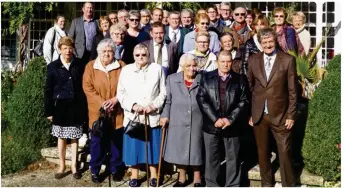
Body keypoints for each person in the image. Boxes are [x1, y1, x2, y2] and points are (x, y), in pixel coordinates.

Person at [247, 28, 298, 187]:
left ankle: (288, 184)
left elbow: (293, 90)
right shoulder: (253, 59)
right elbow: (250, 87)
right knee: (262, 153)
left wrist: (291, 115)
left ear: (275, 41)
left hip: (281, 115)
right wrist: (251, 113)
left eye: (270, 41)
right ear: (260, 43)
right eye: (264, 42)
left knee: (284, 153)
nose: (268, 45)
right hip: (259, 115)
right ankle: (266, 184)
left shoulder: (287, 60)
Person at [117, 44, 166, 187]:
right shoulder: (126, 70)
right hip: (134, 117)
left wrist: (154, 105)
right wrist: (132, 105)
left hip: (151, 116)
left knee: (152, 148)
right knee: (134, 148)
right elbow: (121, 93)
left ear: (148, 55)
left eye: (143, 55)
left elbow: (163, 92)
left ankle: (154, 175)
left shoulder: (157, 69)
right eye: (137, 55)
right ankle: (134, 176)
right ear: (133, 56)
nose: (140, 58)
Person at [197, 50, 249, 187]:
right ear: (217, 62)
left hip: (232, 125)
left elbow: (244, 101)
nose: (226, 65)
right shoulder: (206, 77)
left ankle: (232, 185)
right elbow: (201, 99)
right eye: (223, 61)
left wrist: (230, 119)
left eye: (228, 61)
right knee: (212, 158)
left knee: (233, 158)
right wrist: (215, 118)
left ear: (232, 62)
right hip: (211, 124)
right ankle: (212, 184)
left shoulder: (240, 79)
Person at [83, 38, 126, 184]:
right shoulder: (90, 66)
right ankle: (95, 170)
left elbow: (126, 86)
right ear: (98, 52)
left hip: (117, 112)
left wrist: (115, 99)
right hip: (97, 113)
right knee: (97, 143)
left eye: (110, 51)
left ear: (114, 52)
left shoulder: (121, 66)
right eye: (104, 51)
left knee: (116, 143)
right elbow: (87, 87)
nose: (107, 54)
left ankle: (115, 168)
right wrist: (102, 103)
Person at [44, 36, 87, 180]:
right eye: (64, 48)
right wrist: (49, 111)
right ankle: (62, 166)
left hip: (76, 105)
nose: (68, 51)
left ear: (73, 49)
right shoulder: (52, 67)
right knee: (61, 137)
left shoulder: (80, 64)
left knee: (74, 137)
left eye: (70, 48)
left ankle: (74, 166)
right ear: (60, 49)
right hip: (60, 106)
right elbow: (48, 90)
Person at [161, 54, 204, 187]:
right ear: (182, 67)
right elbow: (168, 101)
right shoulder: (172, 79)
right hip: (177, 119)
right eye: (188, 66)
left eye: (194, 65)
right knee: (180, 148)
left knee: (197, 148)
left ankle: (197, 178)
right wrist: (165, 115)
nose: (192, 68)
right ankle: (182, 178)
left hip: (198, 119)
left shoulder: (203, 79)